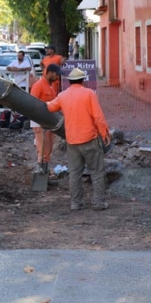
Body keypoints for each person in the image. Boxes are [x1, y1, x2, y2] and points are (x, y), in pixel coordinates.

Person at [47, 68, 111, 211]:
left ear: (69, 81)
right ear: (83, 80)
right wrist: (104, 134)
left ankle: (76, 203)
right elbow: (98, 116)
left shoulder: (62, 95)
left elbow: (50, 107)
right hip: (89, 139)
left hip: (72, 141)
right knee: (97, 171)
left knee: (75, 173)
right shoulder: (89, 94)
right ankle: (98, 203)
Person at [30, 63, 61, 172]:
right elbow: (32, 104)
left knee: (48, 147)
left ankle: (45, 171)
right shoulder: (38, 85)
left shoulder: (50, 86)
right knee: (42, 147)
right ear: (50, 73)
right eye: (57, 75)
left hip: (48, 121)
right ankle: (40, 170)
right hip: (39, 121)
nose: (58, 77)